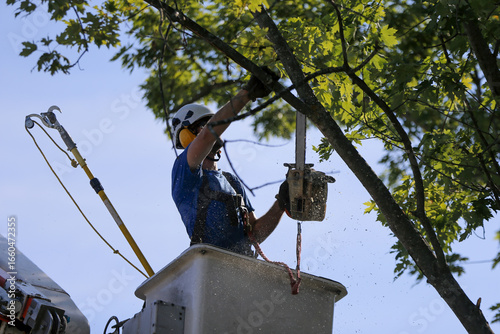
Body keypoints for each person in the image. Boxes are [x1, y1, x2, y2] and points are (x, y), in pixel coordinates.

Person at [171, 73, 288, 256]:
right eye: (205, 125)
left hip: (241, 264)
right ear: (187, 136)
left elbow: (255, 233)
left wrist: (281, 203)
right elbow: (206, 137)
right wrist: (246, 94)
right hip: (208, 263)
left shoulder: (231, 182)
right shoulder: (184, 172)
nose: (216, 130)